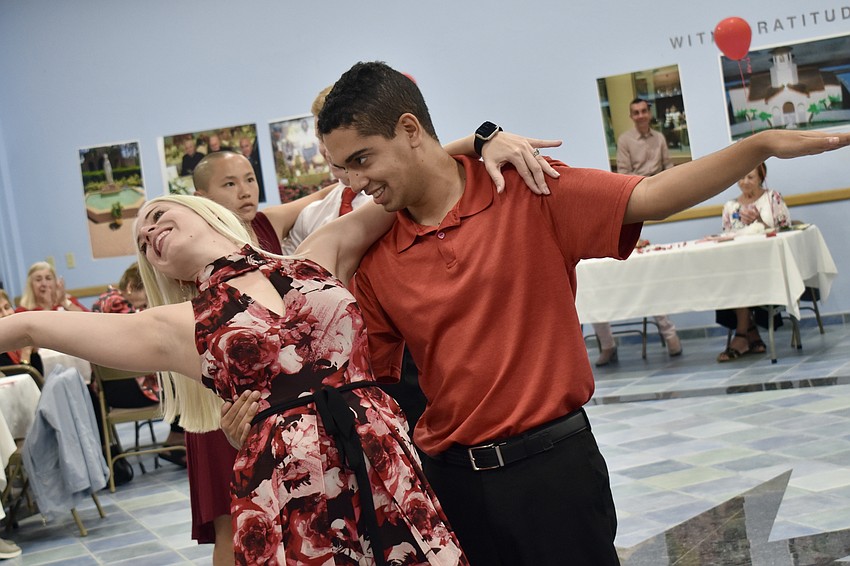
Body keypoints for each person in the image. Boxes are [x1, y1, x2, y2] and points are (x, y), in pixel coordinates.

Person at [311, 61, 849, 565]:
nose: (354, 184)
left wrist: (759, 144)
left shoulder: (525, 187)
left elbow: (653, 195)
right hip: (452, 483)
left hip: (554, 472)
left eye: (361, 160)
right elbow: (373, 386)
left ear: (409, 129)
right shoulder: (377, 253)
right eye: (341, 169)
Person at [0, 194, 469, 565]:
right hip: (289, 480)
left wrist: (481, 141)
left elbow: (403, 183)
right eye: (142, 242)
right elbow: (29, 326)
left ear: (201, 211)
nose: (148, 232)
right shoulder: (179, 323)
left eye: (157, 215)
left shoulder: (313, 256)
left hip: (379, 451)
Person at [197, 101, 558, 562]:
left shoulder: (351, 203)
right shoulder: (313, 218)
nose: (245, 191)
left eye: (249, 179)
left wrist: (483, 137)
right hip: (322, 399)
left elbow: (428, 173)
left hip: (385, 370)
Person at [592, 97, 682, 366]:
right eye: (636, 112)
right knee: (599, 289)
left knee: (649, 281)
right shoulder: (625, 141)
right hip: (635, 204)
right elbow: (623, 177)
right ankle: (608, 345)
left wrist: (669, 191)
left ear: (649, 114)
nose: (641, 116)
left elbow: (668, 168)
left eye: (644, 111)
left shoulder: (660, 139)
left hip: (661, 200)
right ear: (631, 116)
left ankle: (670, 335)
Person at [91, 263, 186, 463]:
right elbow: (144, 337)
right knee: (188, 381)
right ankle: (178, 442)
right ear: (133, 286)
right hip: (126, 388)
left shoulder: (103, 300)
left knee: (180, 378)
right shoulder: (117, 304)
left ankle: (177, 441)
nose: (146, 305)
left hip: (112, 389)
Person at [716, 162, 791, 362]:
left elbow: (785, 231)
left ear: (761, 177)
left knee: (741, 276)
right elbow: (727, 234)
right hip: (739, 262)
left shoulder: (771, 198)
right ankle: (750, 334)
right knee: (731, 275)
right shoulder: (730, 206)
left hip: (768, 263)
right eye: (741, 178)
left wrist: (760, 222)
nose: (745, 182)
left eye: (750, 177)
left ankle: (744, 335)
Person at [15, 261, 88, 372]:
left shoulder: (67, 303)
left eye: (48, 278)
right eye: (38, 280)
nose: (44, 283)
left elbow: (88, 321)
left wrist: (64, 301)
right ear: (30, 284)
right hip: (43, 370)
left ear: (56, 282)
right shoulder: (23, 311)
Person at [0, 288, 43, 376]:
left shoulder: (17, 336)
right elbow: (17, 384)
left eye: (7, 307)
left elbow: (40, 376)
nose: (5, 314)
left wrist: (34, 353)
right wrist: (26, 355)